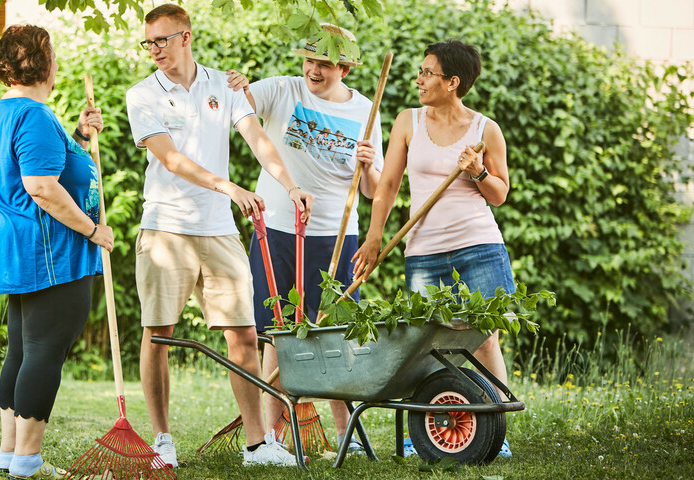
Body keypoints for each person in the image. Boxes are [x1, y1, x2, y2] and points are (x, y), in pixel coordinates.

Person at [125, 3, 315, 468]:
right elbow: (169, 159)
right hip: (165, 227)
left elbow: (256, 137)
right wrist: (228, 186)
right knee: (159, 335)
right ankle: (163, 440)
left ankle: (256, 444)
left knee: (245, 335)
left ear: (186, 37)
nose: (154, 50)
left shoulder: (223, 86)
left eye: (162, 40)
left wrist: (291, 185)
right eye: (148, 43)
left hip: (218, 231)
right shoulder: (142, 94)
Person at [351, 39, 514, 458]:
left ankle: (495, 431)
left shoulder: (485, 129)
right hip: (423, 250)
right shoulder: (408, 121)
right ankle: (425, 424)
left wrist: (478, 171)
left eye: (428, 73)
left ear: (452, 83)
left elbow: (499, 194)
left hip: (477, 245)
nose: (419, 79)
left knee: (483, 339)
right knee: (425, 345)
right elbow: (386, 186)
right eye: (420, 71)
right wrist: (374, 237)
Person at [225, 23, 383, 453]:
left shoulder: (366, 110)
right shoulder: (282, 89)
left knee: (335, 332)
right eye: (310, 60)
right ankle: (275, 436)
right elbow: (234, 106)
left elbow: (371, 189)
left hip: (335, 234)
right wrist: (238, 87)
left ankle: (344, 433)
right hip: (276, 225)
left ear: (345, 68)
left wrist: (368, 165)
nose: (314, 70)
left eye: (326, 64)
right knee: (278, 329)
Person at [0, 24, 112, 479]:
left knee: (22, 350)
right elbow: (41, 187)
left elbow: (48, 168)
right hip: (46, 251)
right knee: (44, 350)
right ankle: (27, 461)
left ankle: (10, 453)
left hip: (22, 245)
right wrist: (92, 229)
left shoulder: (12, 110)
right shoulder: (34, 114)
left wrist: (76, 136)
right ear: (46, 63)